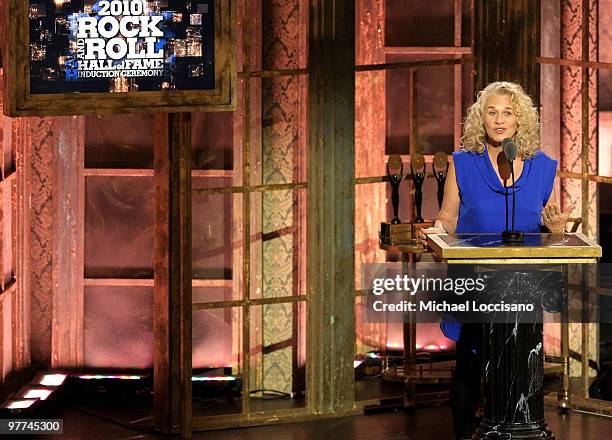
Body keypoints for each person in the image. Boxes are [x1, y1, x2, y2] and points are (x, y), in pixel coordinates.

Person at [418, 81, 570, 440]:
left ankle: (515, 432)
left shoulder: (543, 167)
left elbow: (548, 230)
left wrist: (557, 231)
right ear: (480, 118)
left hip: (522, 286)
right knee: (469, 364)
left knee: (519, 368)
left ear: (522, 121)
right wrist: (437, 233)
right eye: (492, 111)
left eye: (509, 112)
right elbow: (449, 217)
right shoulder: (463, 164)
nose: (500, 120)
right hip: (474, 279)